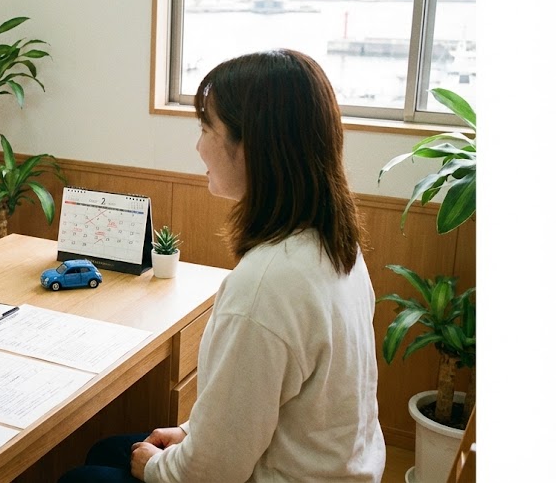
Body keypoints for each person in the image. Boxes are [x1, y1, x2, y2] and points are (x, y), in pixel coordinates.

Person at [60, 49, 386, 482]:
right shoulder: (334, 242)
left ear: (252, 146)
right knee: (108, 449)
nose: (198, 146)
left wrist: (154, 468)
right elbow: (258, 404)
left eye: (206, 127)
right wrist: (189, 432)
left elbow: (212, 472)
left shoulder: (266, 284)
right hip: (340, 468)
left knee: (84, 478)